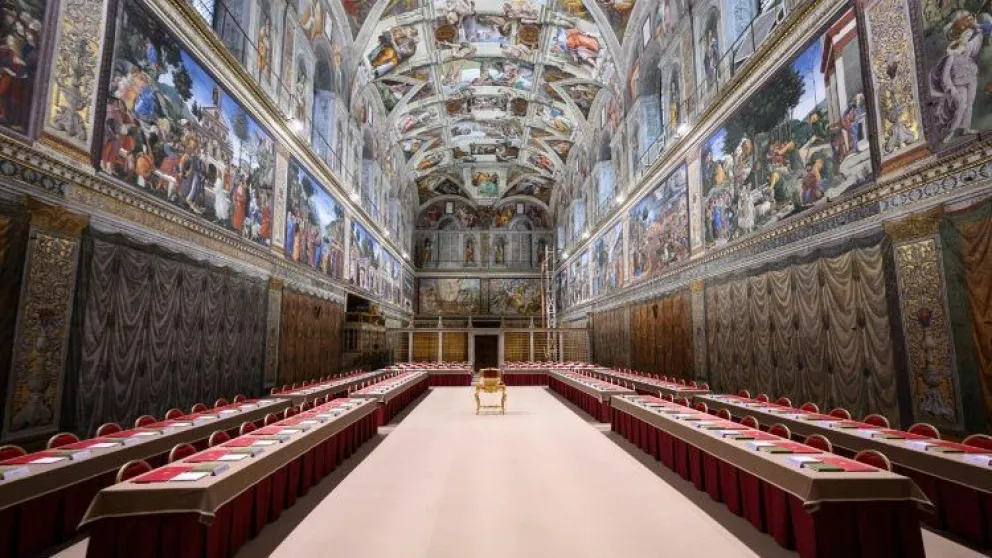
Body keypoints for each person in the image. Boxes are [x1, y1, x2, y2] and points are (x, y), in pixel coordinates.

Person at [929, 10, 992, 144]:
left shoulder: (968, 50)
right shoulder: (951, 55)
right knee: (961, 106)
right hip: (959, 83)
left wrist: (977, 27)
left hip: (971, 78)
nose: (965, 39)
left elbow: (985, 31)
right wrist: (951, 89)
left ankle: (966, 128)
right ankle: (950, 132)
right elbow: (945, 76)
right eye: (963, 37)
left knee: (969, 104)